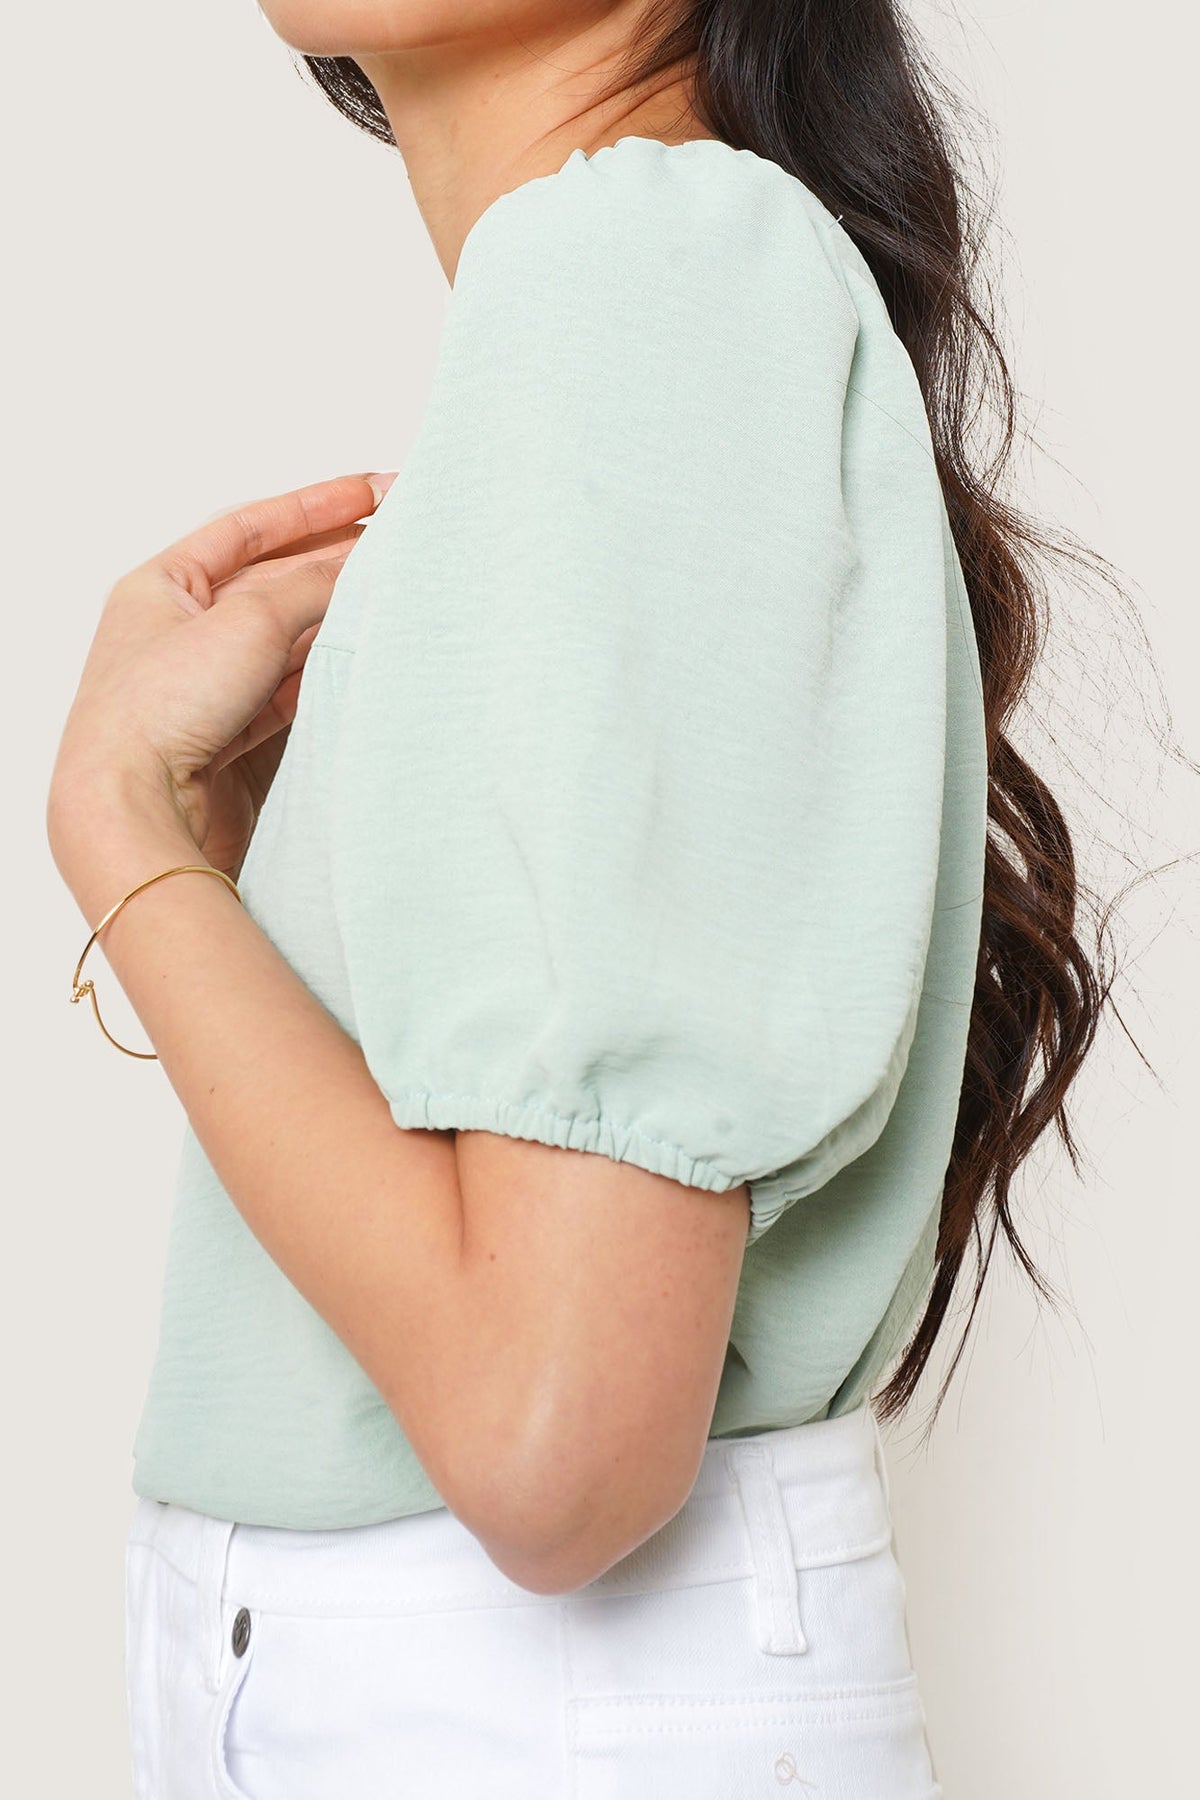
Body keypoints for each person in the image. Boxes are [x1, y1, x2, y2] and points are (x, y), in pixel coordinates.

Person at [46, 5, 1112, 1796]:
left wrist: (120, 832)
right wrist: (230, 878)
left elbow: (556, 1447)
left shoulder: (640, 271)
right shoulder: (654, 284)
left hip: (511, 1706)